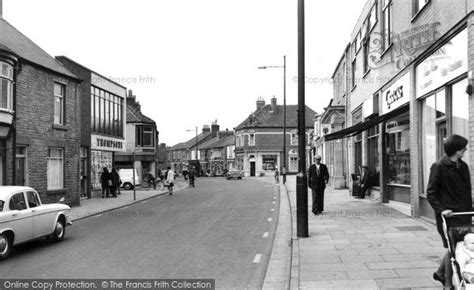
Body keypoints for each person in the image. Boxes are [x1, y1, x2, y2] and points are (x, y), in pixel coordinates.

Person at [427, 134, 472, 288]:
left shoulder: (463, 166)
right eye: (463, 148)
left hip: (463, 214)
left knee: (458, 247)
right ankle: (447, 284)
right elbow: (431, 193)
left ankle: (440, 273)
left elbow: (467, 192)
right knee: (453, 248)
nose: (465, 149)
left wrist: (471, 212)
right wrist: (442, 210)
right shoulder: (438, 166)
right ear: (456, 150)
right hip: (448, 216)